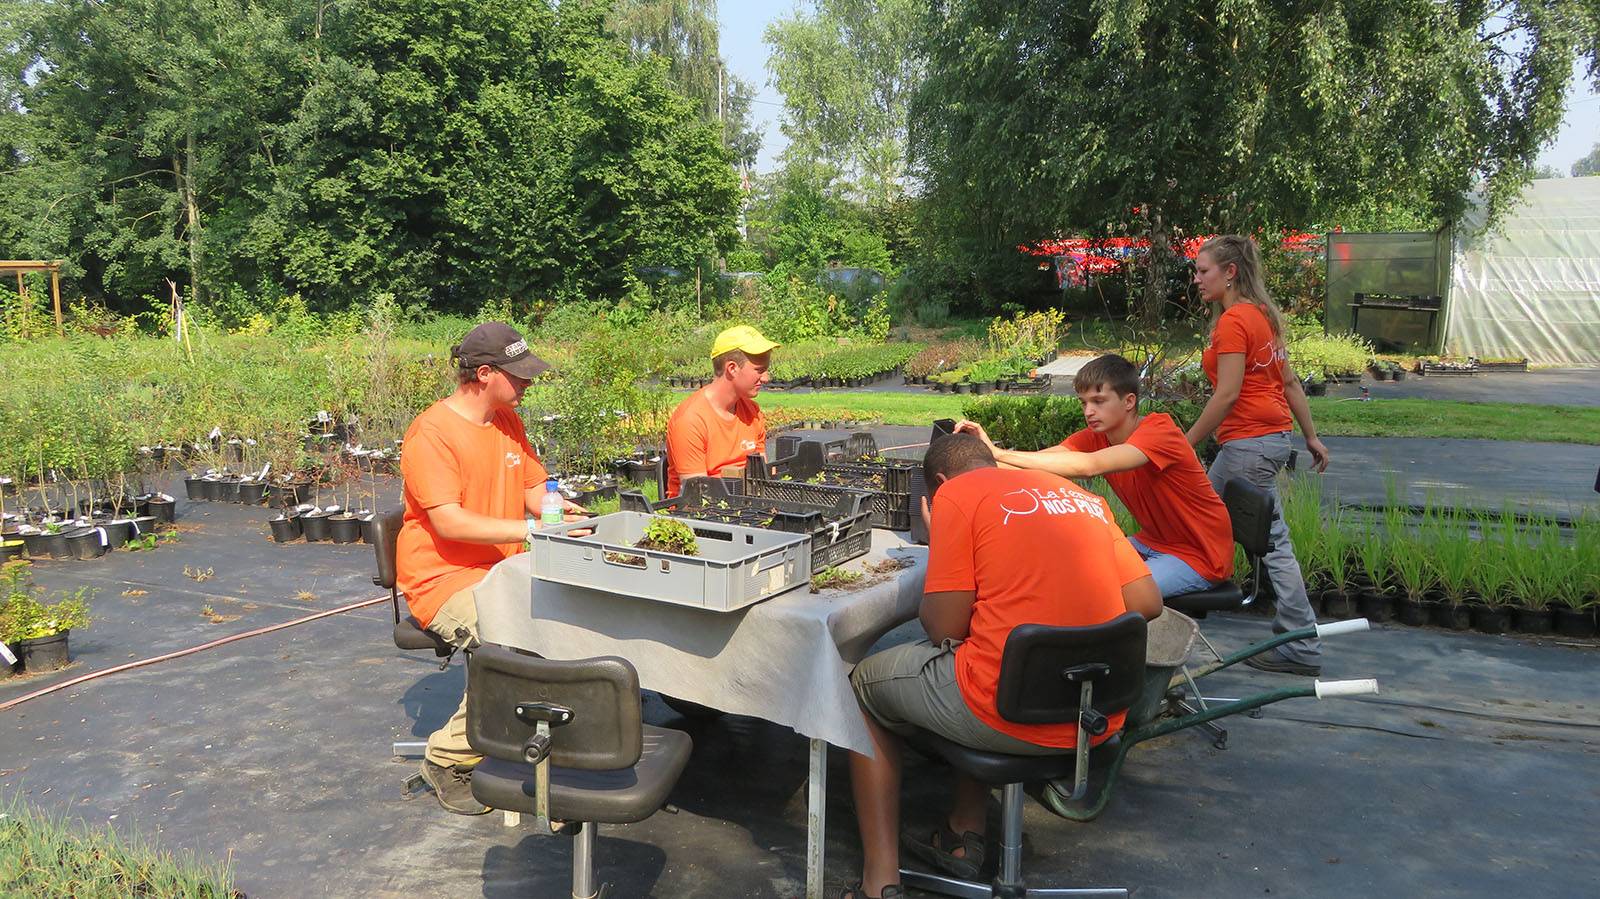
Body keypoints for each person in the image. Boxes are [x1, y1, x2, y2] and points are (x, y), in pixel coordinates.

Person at [840, 434, 1162, 899]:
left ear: (939, 483)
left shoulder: (955, 495)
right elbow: (1147, 603)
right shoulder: (1079, 496)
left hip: (1006, 713)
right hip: (1095, 713)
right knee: (980, 652)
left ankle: (880, 881)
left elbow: (943, 627)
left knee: (864, 685)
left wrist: (941, 538)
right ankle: (962, 832)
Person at [396, 322, 588, 815]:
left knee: (572, 618)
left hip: (504, 568)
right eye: (519, 374)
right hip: (442, 579)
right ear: (484, 374)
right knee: (516, 645)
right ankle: (447, 759)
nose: (529, 382)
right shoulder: (432, 433)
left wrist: (560, 511)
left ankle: (532, 729)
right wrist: (530, 530)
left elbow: (533, 489)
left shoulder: (506, 422)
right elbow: (449, 521)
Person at [955, 353, 1234, 598]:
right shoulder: (1097, 436)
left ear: (1129, 401)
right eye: (1084, 402)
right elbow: (1039, 464)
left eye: (1099, 401)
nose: (1089, 412)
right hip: (1152, 542)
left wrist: (998, 453)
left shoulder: (1160, 432)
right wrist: (976, 462)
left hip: (1200, 555)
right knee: (1066, 568)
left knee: (1104, 591)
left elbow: (1090, 466)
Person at [1185, 234, 1330, 677]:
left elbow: (1227, 394)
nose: (1197, 279)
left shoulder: (1235, 321)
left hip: (1249, 444)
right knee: (1205, 522)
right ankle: (1298, 640)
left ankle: (1300, 644)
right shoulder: (1262, 316)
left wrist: (1184, 443)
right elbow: (1288, 383)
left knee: (1206, 523)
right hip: (1268, 439)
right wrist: (1310, 436)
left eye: (1203, 271)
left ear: (1230, 272)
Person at [664, 324, 777, 496]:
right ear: (732, 368)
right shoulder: (691, 421)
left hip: (748, 503)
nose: (766, 378)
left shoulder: (752, 412)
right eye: (759, 370)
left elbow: (763, 477)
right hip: (702, 509)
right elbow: (697, 498)